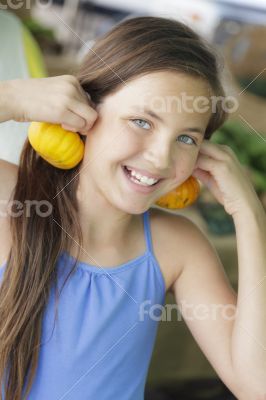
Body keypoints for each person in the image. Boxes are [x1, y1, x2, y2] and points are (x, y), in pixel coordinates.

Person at [0, 16, 265, 400]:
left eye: (186, 138)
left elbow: (256, 386)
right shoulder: (12, 198)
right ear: (82, 114)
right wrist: (8, 99)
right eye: (141, 121)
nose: (159, 158)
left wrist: (249, 215)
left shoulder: (177, 246)